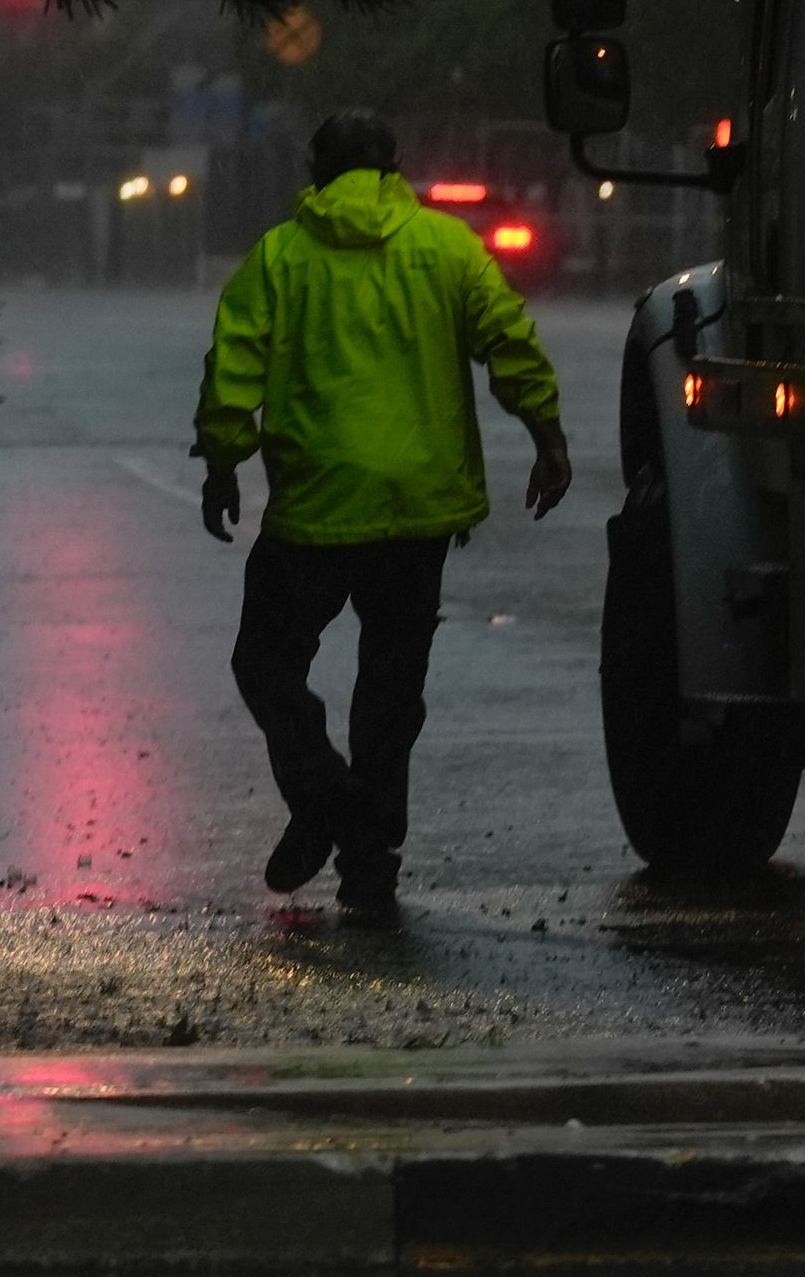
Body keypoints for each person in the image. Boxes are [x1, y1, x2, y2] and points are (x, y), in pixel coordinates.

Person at [192, 113, 570, 927]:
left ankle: (327, 795)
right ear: (395, 167)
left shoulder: (280, 257)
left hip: (317, 507)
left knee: (265, 661)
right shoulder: (446, 247)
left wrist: (223, 461)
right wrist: (547, 436)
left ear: (315, 172)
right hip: (419, 507)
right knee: (391, 687)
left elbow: (233, 367)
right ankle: (370, 854)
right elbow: (509, 339)